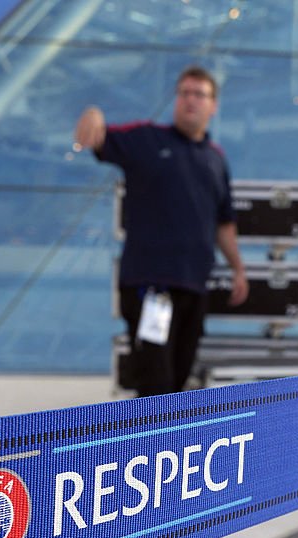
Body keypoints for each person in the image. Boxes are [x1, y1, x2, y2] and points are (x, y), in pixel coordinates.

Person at [74, 65, 248, 397]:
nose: (190, 100)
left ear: (214, 106)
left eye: (199, 94)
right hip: (150, 288)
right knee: (156, 384)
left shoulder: (216, 159)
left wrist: (238, 268)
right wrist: (93, 115)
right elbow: (97, 138)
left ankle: (161, 446)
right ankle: (145, 448)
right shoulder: (148, 139)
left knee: (179, 380)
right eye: (184, 93)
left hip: (194, 287)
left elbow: (224, 222)